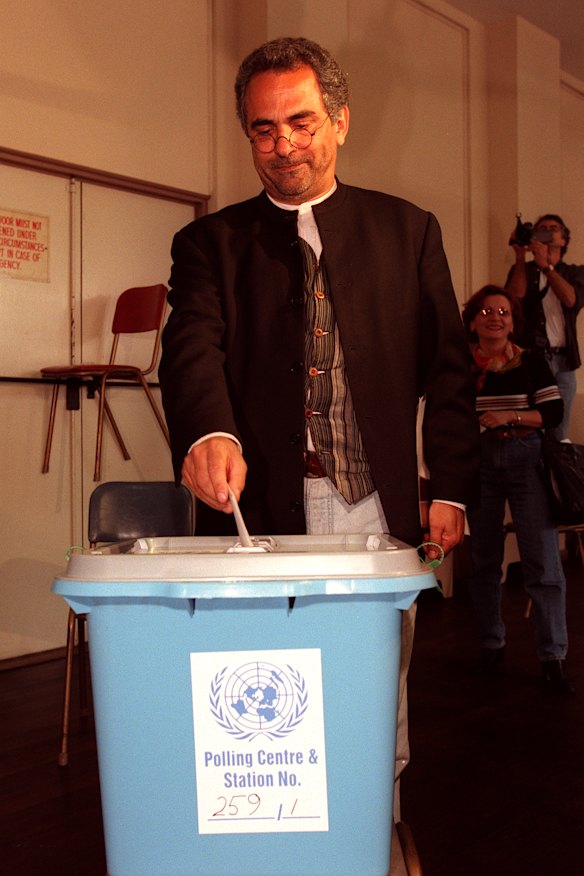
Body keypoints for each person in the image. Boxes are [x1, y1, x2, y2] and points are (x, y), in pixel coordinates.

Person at [159, 36, 480, 841]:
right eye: (263, 129)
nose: (283, 145)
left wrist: (448, 486)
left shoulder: (408, 231)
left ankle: (373, 829)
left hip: (372, 509)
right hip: (258, 511)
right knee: (264, 699)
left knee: (375, 693)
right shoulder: (209, 244)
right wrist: (208, 429)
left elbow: (448, 370)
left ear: (339, 119)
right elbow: (190, 346)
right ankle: (276, 843)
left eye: (301, 122)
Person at [462, 284, 574, 695]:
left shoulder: (531, 361)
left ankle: (553, 656)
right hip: (479, 464)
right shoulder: (459, 365)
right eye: (487, 311)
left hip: (527, 460)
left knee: (543, 561)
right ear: (473, 320)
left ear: (513, 320)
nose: (496, 317)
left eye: (504, 312)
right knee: (483, 561)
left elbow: (552, 412)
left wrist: (508, 414)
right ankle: (491, 644)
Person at [506, 214, 584, 440]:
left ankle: (557, 475)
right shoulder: (524, 270)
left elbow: (571, 300)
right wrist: (520, 257)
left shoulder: (575, 272)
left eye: (553, 229)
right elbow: (513, 302)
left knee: (558, 433)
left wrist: (547, 267)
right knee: (531, 432)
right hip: (532, 360)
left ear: (564, 240)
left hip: (565, 362)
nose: (547, 233)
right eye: (541, 230)